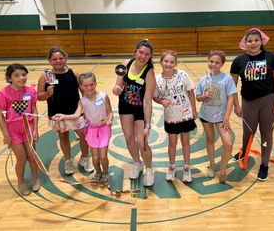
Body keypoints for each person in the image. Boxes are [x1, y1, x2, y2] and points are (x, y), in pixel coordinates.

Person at [230, 28, 274, 181]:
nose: (253, 43)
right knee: (248, 132)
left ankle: (264, 165)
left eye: (256, 40)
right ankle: (244, 152)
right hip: (248, 102)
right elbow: (232, 86)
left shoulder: (271, 57)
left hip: (269, 100)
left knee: (266, 134)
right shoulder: (238, 61)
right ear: (245, 43)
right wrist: (236, 105)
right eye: (249, 41)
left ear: (261, 42)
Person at [37, 47, 93, 175]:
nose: (58, 61)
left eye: (61, 58)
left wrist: (83, 108)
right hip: (57, 114)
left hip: (75, 113)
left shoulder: (74, 74)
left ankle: (85, 159)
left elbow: (84, 92)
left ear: (65, 59)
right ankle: (68, 160)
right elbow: (39, 97)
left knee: (84, 136)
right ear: (49, 61)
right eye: (54, 59)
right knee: (63, 136)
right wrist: (47, 93)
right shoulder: (46, 76)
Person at [53, 72, 113, 186]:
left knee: (103, 156)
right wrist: (63, 116)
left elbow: (110, 112)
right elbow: (76, 115)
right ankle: (98, 173)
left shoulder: (104, 96)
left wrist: (109, 119)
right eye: (85, 86)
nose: (89, 87)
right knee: (95, 157)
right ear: (81, 87)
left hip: (104, 129)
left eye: (91, 84)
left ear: (95, 83)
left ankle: (105, 174)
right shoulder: (82, 101)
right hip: (91, 131)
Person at [112, 39, 156, 187]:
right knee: (129, 138)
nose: (143, 56)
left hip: (140, 110)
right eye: (140, 52)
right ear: (135, 51)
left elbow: (148, 101)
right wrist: (116, 89)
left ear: (150, 57)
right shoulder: (125, 64)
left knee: (141, 141)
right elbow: (118, 84)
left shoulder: (149, 73)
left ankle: (149, 169)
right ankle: (137, 163)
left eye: (147, 54)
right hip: (125, 107)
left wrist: (147, 125)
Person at [0, 63, 40, 195]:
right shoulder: (3, 94)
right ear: (10, 78)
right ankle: (21, 182)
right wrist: (5, 135)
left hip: (28, 128)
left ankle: (35, 178)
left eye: (24, 74)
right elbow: (0, 117)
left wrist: (35, 128)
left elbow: (33, 109)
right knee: (21, 158)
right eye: (17, 75)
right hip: (13, 131)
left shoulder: (30, 91)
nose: (21, 78)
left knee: (32, 156)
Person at [153, 50, 197, 183]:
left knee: (185, 141)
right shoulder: (157, 79)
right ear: (161, 62)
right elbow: (154, 96)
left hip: (185, 114)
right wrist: (161, 101)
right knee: (172, 143)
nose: (168, 64)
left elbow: (190, 93)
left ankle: (186, 168)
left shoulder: (183, 75)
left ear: (175, 63)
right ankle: (171, 167)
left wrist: (194, 110)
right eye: (166, 61)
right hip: (171, 116)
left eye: (172, 62)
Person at [196, 50, 237, 183]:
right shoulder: (203, 80)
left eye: (217, 62)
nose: (213, 64)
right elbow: (198, 98)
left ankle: (223, 169)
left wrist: (226, 118)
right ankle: (212, 165)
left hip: (221, 117)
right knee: (210, 140)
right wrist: (204, 96)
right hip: (206, 115)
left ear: (222, 64)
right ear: (208, 62)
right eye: (211, 61)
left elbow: (231, 98)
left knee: (228, 143)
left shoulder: (227, 79)